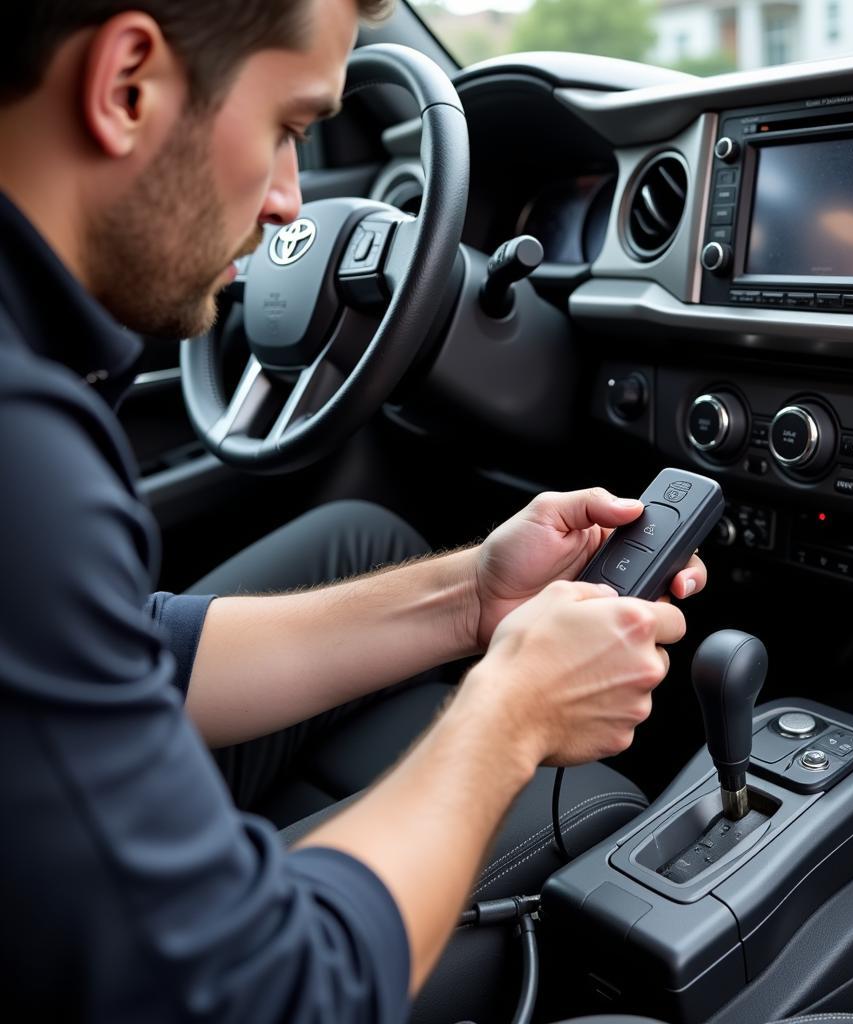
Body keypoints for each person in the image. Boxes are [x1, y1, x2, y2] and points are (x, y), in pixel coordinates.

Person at [0, 1, 708, 1021]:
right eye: (290, 125)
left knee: (370, 542)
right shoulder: (23, 457)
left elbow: (115, 643)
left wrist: (472, 601)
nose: (293, 205)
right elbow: (272, 992)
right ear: (127, 87)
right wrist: (509, 716)